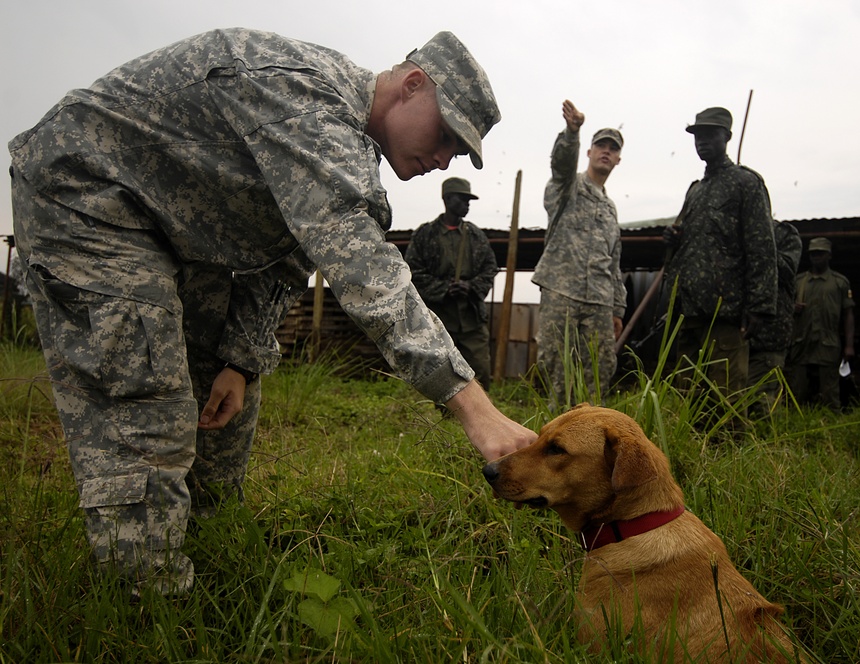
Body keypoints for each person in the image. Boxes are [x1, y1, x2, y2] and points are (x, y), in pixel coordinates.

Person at [8, 28, 535, 596]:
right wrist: (472, 406)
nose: (443, 159)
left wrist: (238, 360)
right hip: (85, 196)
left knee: (224, 392)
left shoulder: (347, 150)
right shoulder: (302, 97)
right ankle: (144, 607)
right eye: (447, 137)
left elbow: (284, 257)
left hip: (177, 229)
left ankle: (211, 553)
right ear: (412, 86)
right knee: (145, 400)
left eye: (456, 154)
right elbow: (367, 276)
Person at [662, 106, 777, 415]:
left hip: (725, 312)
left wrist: (759, 306)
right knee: (690, 398)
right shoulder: (695, 192)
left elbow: (762, 246)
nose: (702, 141)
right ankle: (693, 458)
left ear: (726, 137)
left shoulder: (746, 183)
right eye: (698, 135)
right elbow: (692, 248)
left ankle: (731, 459)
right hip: (690, 312)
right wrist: (674, 241)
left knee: (727, 399)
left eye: (710, 134)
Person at [532, 100, 626, 409]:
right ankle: (556, 437)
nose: (606, 151)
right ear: (589, 151)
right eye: (601, 145)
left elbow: (614, 262)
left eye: (613, 148)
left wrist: (617, 309)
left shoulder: (610, 208)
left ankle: (589, 440)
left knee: (599, 369)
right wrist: (572, 133)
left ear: (618, 159)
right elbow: (560, 165)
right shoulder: (567, 187)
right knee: (556, 365)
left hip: (599, 301)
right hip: (563, 291)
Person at [405, 177, 499, 390]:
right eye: (462, 199)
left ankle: (482, 418)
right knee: (441, 370)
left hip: (471, 318)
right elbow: (413, 271)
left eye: (469, 201)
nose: (467, 205)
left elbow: (489, 268)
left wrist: (471, 287)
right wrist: (444, 289)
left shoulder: (476, 236)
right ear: (447, 199)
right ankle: (443, 416)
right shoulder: (426, 234)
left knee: (480, 369)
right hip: (438, 318)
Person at [786, 237, 856, 410]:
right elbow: (783, 309)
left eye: (820, 253)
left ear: (829, 255)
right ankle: (795, 426)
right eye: (813, 254)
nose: (816, 257)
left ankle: (831, 427)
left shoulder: (839, 282)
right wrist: (792, 308)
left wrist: (849, 345)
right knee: (797, 390)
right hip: (801, 342)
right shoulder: (799, 282)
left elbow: (848, 314)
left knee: (830, 391)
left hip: (828, 343)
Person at [748, 221, 802, 413]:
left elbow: (787, 269)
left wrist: (759, 247)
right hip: (740, 336)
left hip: (770, 335)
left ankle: (768, 443)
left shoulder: (784, 233)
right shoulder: (738, 230)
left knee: (764, 401)